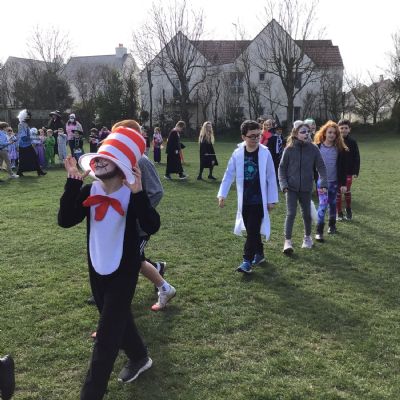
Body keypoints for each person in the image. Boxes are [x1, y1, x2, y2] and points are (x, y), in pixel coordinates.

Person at [58, 125, 160, 399]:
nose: (100, 161)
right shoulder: (89, 190)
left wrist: (138, 194)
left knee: (106, 337)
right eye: (99, 157)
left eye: (108, 158)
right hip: (97, 267)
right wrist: (72, 183)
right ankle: (139, 356)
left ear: (122, 165)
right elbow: (65, 220)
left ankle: (90, 394)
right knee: (117, 319)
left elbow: (152, 224)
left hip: (124, 270)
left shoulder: (131, 193)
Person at [111, 120, 176, 311]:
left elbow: (156, 192)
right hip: (121, 224)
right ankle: (157, 269)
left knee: (132, 260)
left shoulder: (141, 161)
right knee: (129, 258)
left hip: (138, 227)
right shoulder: (120, 159)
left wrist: (139, 212)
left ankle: (164, 288)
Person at [217, 120, 278, 273]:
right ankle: (260, 254)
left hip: (259, 200)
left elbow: (271, 177)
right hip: (244, 200)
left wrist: (272, 199)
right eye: (252, 136)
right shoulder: (237, 153)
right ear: (243, 137)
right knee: (252, 230)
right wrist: (222, 194)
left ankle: (247, 261)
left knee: (252, 228)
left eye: (258, 135)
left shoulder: (265, 153)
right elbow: (229, 174)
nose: (256, 139)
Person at [278, 123, 328, 254]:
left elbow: (321, 167)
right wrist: (283, 185)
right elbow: (282, 168)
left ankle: (307, 238)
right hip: (291, 188)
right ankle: (287, 241)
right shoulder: (289, 149)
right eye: (303, 132)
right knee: (291, 213)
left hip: (306, 187)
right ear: (296, 134)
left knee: (306, 214)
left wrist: (323, 183)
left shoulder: (313, 148)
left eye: (308, 132)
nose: (306, 134)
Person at [313, 120, 348, 241]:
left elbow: (343, 168)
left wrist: (343, 184)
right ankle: (319, 231)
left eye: (334, 133)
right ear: (324, 133)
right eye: (330, 132)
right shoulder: (317, 147)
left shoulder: (339, 149)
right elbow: (312, 165)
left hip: (334, 182)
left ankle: (332, 225)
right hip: (321, 182)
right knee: (323, 205)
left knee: (333, 204)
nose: (332, 135)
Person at [336, 119, 360, 221]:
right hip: (337, 172)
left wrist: (355, 171)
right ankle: (339, 212)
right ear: (338, 129)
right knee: (338, 192)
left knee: (346, 190)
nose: (344, 130)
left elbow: (356, 157)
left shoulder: (352, 142)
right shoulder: (335, 141)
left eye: (346, 128)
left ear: (349, 129)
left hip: (348, 172)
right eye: (341, 128)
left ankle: (348, 209)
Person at [16, 110, 46, 177]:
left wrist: (33, 138)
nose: (29, 118)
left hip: (27, 144)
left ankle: (39, 171)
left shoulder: (25, 124)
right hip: (23, 145)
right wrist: (33, 138)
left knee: (31, 157)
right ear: (24, 117)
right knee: (24, 159)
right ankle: (19, 172)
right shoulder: (21, 125)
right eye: (27, 116)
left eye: (29, 116)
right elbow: (23, 137)